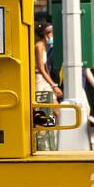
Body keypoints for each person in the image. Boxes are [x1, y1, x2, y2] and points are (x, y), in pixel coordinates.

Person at [34, 22, 60, 151]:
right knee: (41, 109)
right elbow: (40, 68)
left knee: (56, 109)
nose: (53, 35)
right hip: (38, 79)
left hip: (45, 79)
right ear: (45, 34)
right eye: (51, 33)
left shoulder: (46, 46)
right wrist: (53, 85)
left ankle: (51, 136)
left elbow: (46, 68)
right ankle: (42, 139)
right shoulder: (39, 46)